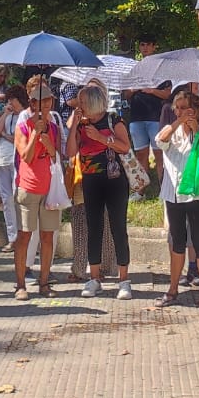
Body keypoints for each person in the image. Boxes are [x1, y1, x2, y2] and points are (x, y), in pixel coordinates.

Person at [67, 80, 133, 300]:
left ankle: (124, 280)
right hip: (90, 179)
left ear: (92, 102)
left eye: (82, 101)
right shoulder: (80, 124)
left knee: (118, 228)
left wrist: (102, 138)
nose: (78, 104)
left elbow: (125, 147)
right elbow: (70, 151)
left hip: (114, 179)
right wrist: (73, 127)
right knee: (93, 228)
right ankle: (94, 278)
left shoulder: (114, 119)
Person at [153, 91, 199, 311]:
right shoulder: (171, 131)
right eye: (176, 108)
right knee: (177, 243)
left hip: (197, 194)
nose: (179, 112)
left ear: (195, 110)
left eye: (184, 108)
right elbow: (160, 142)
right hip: (174, 194)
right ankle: (172, 289)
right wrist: (178, 122)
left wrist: (196, 132)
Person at [12, 80, 64, 300]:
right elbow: (26, 155)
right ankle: (20, 284)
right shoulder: (22, 125)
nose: (44, 105)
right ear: (32, 104)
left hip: (49, 187)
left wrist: (48, 143)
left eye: (48, 101)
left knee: (47, 236)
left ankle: (44, 283)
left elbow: (56, 155)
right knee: (24, 236)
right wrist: (35, 134)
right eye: (39, 102)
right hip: (28, 186)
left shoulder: (54, 126)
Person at [123, 36, 170, 184]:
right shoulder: (135, 69)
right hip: (137, 118)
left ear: (154, 47)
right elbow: (126, 94)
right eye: (142, 44)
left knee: (159, 154)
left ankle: (163, 188)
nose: (145, 48)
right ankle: (141, 189)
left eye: (148, 44)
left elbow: (168, 93)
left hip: (155, 117)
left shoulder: (160, 69)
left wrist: (152, 91)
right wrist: (134, 89)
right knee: (140, 154)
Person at [0, 86, 24, 251]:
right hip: (1, 160)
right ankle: (12, 237)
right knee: (7, 200)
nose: (9, 103)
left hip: (17, 161)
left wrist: (5, 135)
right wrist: (5, 115)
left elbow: (18, 139)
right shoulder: (6, 115)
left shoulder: (25, 116)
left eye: (12, 100)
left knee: (18, 198)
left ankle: (23, 235)